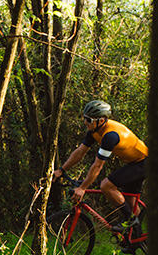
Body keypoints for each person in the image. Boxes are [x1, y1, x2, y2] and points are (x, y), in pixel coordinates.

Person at [52, 100, 148, 235]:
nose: (85, 122)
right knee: (131, 204)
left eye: (88, 119)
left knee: (106, 186)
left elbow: (98, 165)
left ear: (101, 120)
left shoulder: (110, 136)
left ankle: (131, 220)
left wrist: (83, 188)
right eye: (84, 117)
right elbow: (80, 152)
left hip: (143, 162)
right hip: (134, 162)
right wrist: (61, 170)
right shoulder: (94, 130)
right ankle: (136, 240)